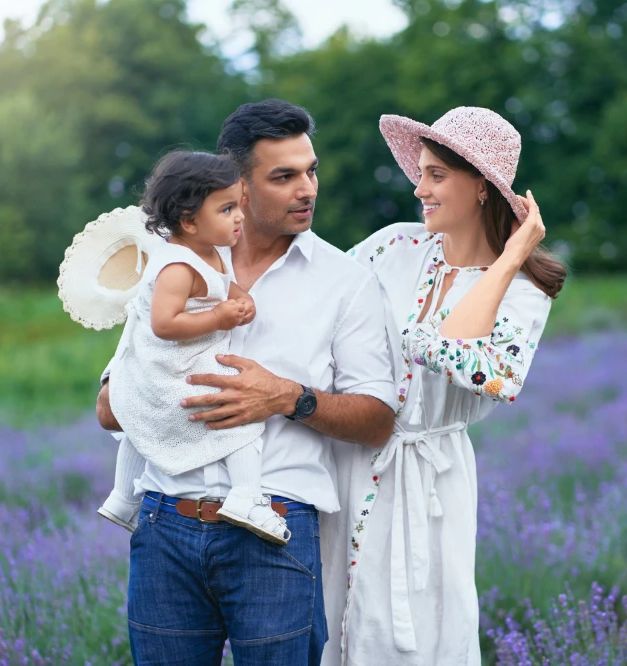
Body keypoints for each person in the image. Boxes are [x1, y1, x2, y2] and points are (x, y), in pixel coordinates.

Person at [95, 99, 397, 666]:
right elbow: (109, 406)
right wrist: (137, 393)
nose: (306, 188)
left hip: (275, 530)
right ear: (237, 184)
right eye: (283, 176)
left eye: (311, 171)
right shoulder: (171, 267)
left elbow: (378, 420)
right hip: (164, 525)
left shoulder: (347, 283)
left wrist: (288, 397)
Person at [321, 107, 566, 665]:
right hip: (351, 459)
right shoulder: (392, 247)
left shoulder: (525, 290)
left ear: (481, 188)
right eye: (421, 173)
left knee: (422, 626)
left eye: (437, 176)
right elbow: (320, 305)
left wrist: (507, 262)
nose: (419, 189)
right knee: (334, 617)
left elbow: (492, 375)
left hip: (430, 480)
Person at [98, 149, 295, 544]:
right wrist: (219, 318)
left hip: (174, 364)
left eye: (238, 205)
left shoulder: (207, 254)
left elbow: (222, 286)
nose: (240, 216)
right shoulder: (176, 266)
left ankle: (122, 500)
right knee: (240, 416)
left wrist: (241, 298)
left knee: (141, 424)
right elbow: (165, 323)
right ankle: (245, 496)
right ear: (189, 220)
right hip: (171, 364)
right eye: (226, 210)